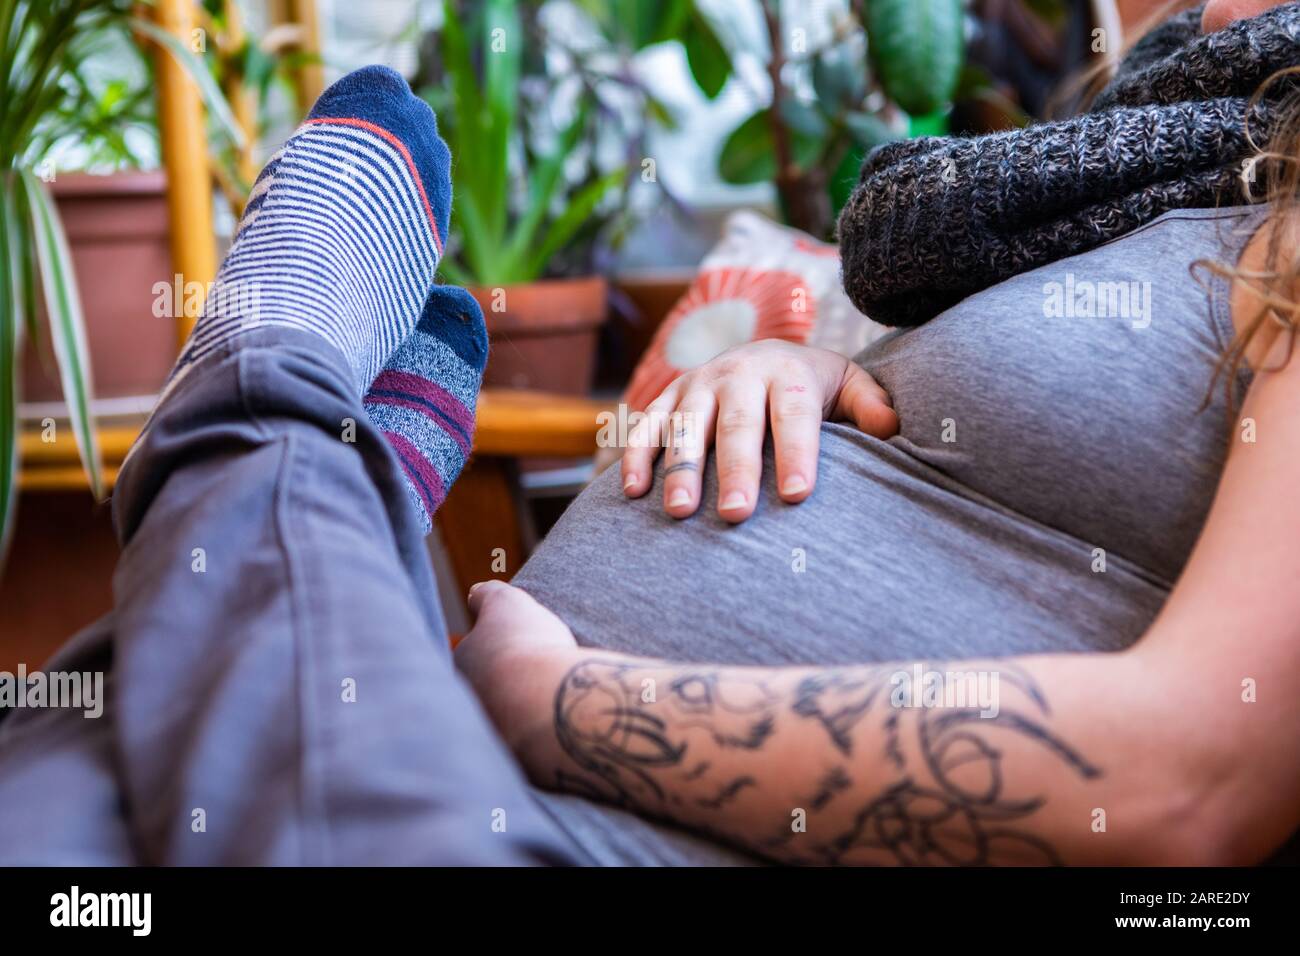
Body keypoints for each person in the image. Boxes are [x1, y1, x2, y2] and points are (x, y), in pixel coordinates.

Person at [0, 0, 1296, 866]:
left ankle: (281, 403)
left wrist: (561, 708)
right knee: (45, 808)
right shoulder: (1136, 187)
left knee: (147, 680)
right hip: (463, 770)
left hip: (538, 826)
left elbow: (1192, 778)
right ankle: (334, 479)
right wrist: (807, 365)